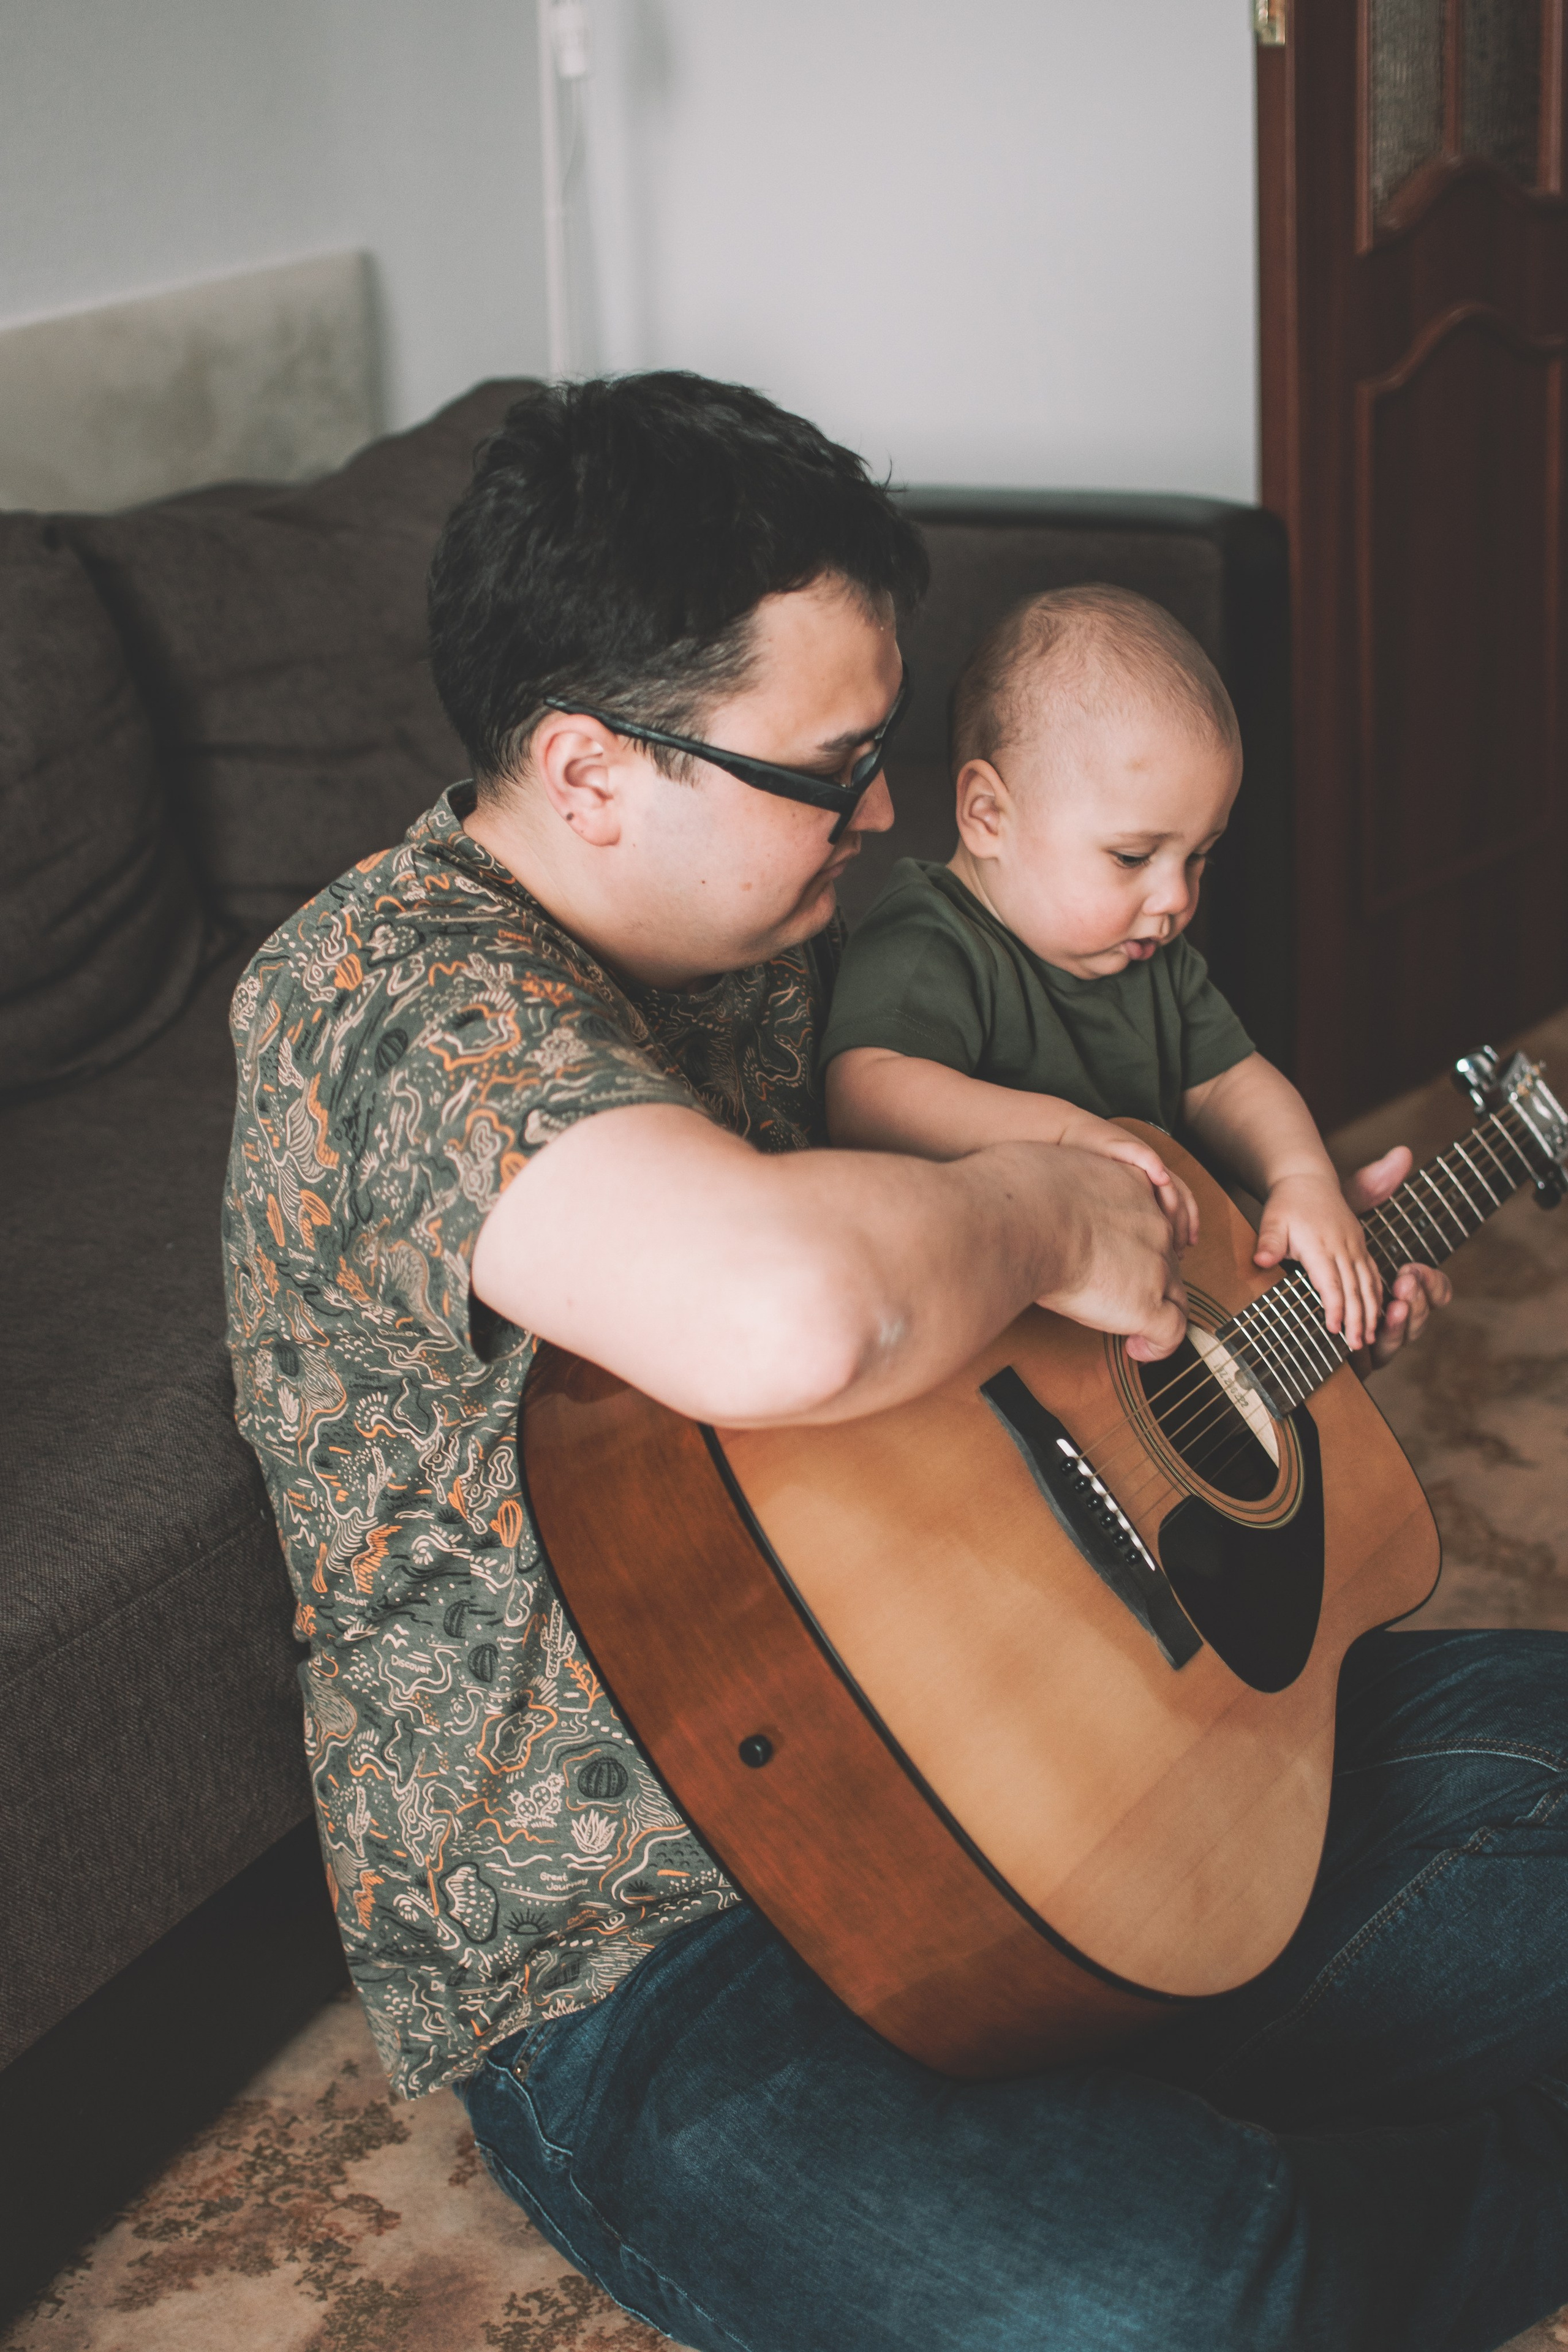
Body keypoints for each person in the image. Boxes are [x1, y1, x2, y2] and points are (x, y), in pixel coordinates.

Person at [222, 373, 1568, 2352]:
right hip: (650, 1964)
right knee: (1194, 2291)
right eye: (833, 763)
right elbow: (796, 1308)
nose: (882, 809)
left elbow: (1087, 1266)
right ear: (592, 773)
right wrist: (1040, 1212)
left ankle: (1169, 2044)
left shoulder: (798, 933)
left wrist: (1265, 1278)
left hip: (1046, 1730)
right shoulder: (383, 1004)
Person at [821, 582, 1398, 1357]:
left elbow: (1233, 1079)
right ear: (988, 815)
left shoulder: (1148, 957)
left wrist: (1302, 1178)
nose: (1176, 897)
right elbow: (867, 1091)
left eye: (1198, 857)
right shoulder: (931, 938)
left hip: (1143, 1319)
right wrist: (1063, 1134)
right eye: (1133, 856)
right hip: (993, 1342)